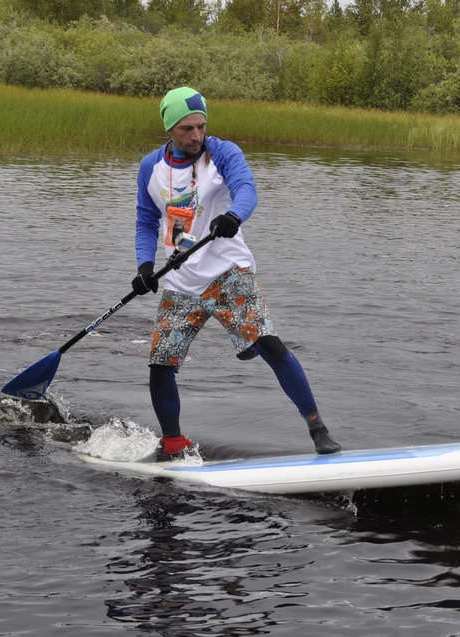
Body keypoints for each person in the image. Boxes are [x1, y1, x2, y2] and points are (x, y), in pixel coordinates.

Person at [132, 86, 342, 459]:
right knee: (160, 363)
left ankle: (318, 430)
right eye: (186, 129)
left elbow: (246, 189)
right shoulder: (151, 167)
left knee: (269, 343)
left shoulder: (222, 153)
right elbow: (146, 221)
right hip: (181, 282)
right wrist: (145, 267)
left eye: (201, 126)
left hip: (229, 271)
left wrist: (234, 215)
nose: (196, 136)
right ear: (169, 129)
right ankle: (173, 446)